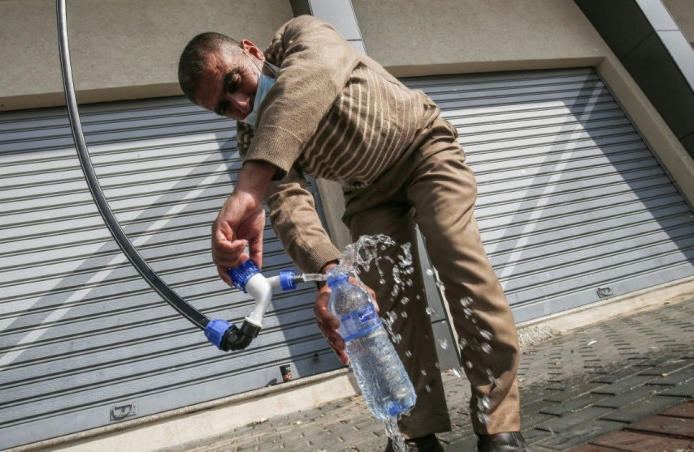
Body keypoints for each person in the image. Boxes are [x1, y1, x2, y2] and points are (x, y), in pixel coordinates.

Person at [178, 15, 528, 452]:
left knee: (460, 262)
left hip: (424, 150)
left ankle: (499, 424)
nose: (242, 104)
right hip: (368, 193)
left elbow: (311, 79)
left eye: (236, 81)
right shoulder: (253, 138)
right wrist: (333, 273)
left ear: (251, 51)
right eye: (225, 107)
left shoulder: (301, 37)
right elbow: (289, 207)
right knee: (380, 303)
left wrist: (247, 187)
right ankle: (417, 435)